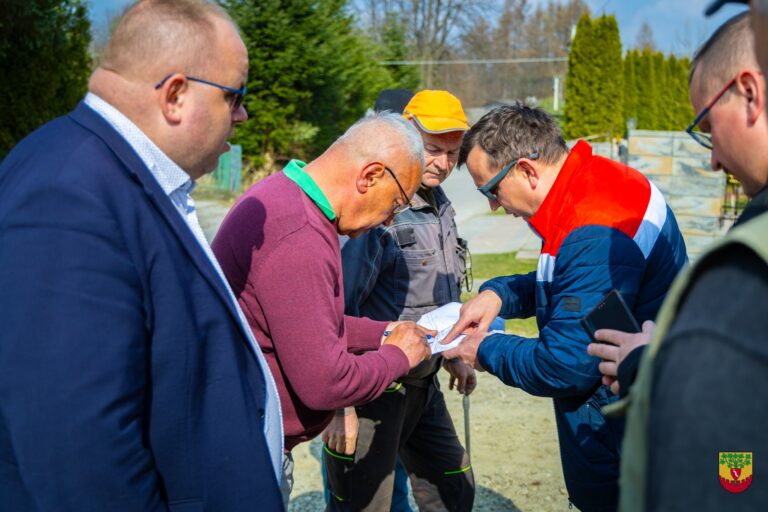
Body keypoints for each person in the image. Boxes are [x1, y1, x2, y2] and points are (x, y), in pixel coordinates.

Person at [0, 1, 284, 510]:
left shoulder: (116, 174)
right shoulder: (68, 193)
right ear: (175, 94)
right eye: (235, 96)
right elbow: (79, 452)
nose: (242, 115)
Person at [441, 104, 688, 512]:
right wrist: (499, 293)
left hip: (625, 432)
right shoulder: (588, 186)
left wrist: (483, 348)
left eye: (491, 190)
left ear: (526, 170)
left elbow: (565, 365)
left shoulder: (591, 225)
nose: (492, 206)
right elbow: (572, 289)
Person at [590, 11, 768, 511]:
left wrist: (647, 362)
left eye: (707, 125)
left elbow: (729, 451)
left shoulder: (748, 265)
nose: (711, 158)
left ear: (750, 93)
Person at [211, 112, 433, 505]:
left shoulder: (287, 196)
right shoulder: (300, 235)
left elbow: (300, 323)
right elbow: (325, 383)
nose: (390, 219)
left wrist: (380, 333)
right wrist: (398, 356)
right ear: (370, 175)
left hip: (240, 436)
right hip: (247, 448)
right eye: (395, 204)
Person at [324, 90, 475, 511]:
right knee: (365, 504)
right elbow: (338, 312)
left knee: (453, 490)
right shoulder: (377, 209)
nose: (443, 163)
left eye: (452, 152)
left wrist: (453, 352)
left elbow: (439, 293)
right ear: (406, 136)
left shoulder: (441, 205)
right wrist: (341, 406)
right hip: (375, 389)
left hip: (424, 386)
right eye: (432, 149)